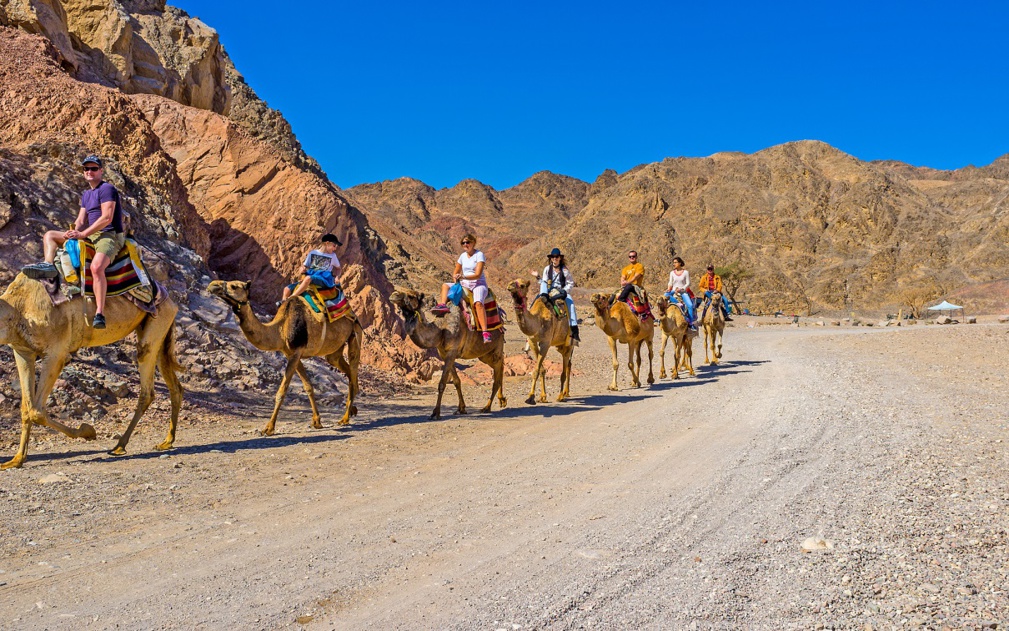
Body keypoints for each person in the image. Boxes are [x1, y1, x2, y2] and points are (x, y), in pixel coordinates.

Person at [22, 154, 126, 329]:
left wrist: (83, 233)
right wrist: (74, 230)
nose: (89, 172)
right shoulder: (86, 194)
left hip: (108, 235)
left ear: (101, 171)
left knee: (96, 267)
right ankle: (48, 265)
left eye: (94, 168)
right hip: (90, 234)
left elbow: (107, 218)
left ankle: (100, 312)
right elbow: (80, 219)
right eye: (86, 169)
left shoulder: (107, 189)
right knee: (50, 236)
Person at [432, 233, 492, 343]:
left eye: (468, 242)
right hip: (464, 283)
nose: (465, 244)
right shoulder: (462, 256)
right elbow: (456, 271)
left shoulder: (479, 255)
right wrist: (456, 280)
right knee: (445, 286)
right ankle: (442, 305)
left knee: (478, 303)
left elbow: (478, 274)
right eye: (463, 243)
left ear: (473, 243)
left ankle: (485, 332)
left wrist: (463, 276)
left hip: (478, 284)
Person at [531, 247, 579, 344]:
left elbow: (570, 283)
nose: (555, 259)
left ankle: (574, 331)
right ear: (551, 258)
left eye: (556, 257)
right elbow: (543, 282)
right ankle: (531, 322)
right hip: (548, 291)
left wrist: (564, 291)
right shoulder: (547, 269)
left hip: (561, 291)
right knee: (535, 302)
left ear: (560, 258)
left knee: (571, 305)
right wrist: (537, 276)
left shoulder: (564, 270)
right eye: (553, 257)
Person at [282, 233, 343, 302]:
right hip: (312, 275)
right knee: (286, 289)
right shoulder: (313, 253)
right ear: (327, 243)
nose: (335, 249)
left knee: (308, 278)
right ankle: (282, 306)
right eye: (334, 246)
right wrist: (302, 269)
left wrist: (337, 276)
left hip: (323, 279)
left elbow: (338, 268)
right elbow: (304, 265)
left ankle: (292, 297)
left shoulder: (333, 256)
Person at [665, 256, 696, 329]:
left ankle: (691, 323)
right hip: (673, 290)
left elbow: (688, 283)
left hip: (682, 291)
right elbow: (670, 282)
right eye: (673, 263)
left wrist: (681, 289)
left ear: (680, 263)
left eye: (675, 262)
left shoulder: (685, 272)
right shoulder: (672, 273)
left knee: (690, 305)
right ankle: (676, 304)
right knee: (665, 295)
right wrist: (668, 288)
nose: (674, 264)